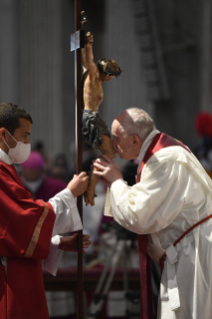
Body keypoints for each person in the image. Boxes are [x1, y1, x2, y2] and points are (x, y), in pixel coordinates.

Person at [93, 107, 212, 319]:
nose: (113, 145)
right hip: (186, 252)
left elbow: (141, 215)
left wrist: (116, 181)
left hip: (194, 257)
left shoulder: (164, 159)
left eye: (116, 139)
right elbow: (147, 202)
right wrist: (116, 184)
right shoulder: (161, 151)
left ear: (135, 140)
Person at [0, 102, 91, 319]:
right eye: (24, 136)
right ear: (3, 134)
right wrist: (69, 193)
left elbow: (13, 234)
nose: (27, 143)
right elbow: (25, 218)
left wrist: (56, 243)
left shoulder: (7, 166)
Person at [81, 32, 122, 206]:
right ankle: (92, 184)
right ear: (106, 73)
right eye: (111, 76)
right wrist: (89, 46)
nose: (111, 79)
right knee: (110, 153)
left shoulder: (95, 79)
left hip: (94, 117)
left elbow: (84, 61)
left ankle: (93, 182)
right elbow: (89, 63)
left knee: (110, 151)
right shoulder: (94, 77)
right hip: (91, 118)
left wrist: (83, 45)